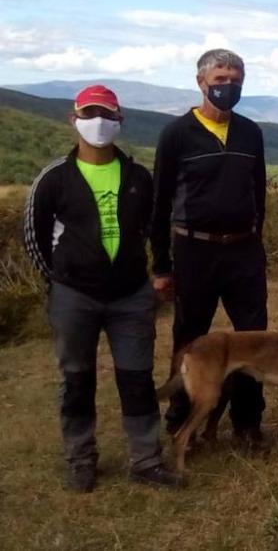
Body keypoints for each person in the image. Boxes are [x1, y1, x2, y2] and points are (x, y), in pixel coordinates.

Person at [24, 85, 182, 491]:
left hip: (130, 294)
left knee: (136, 378)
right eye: (90, 113)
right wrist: (61, 281)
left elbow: (153, 230)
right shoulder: (54, 179)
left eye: (108, 114)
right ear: (73, 118)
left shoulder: (137, 177)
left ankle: (146, 460)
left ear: (120, 121)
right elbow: (35, 239)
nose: (99, 122)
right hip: (74, 296)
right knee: (77, 379)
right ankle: (80, 459)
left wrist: (156, 271)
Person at [151, 49, 269, 450]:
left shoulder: (251, 132)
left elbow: (259, 192)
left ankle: (248, 423)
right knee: (189, 338)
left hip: (243, 252)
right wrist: (161, 265)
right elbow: (159, 202)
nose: (228, 86)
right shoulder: (176, 134)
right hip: (193, 250)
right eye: (220, 79)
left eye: (235, 79)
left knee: (254, 339)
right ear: (201, 82)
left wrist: (257, 242)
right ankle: (181, 419)